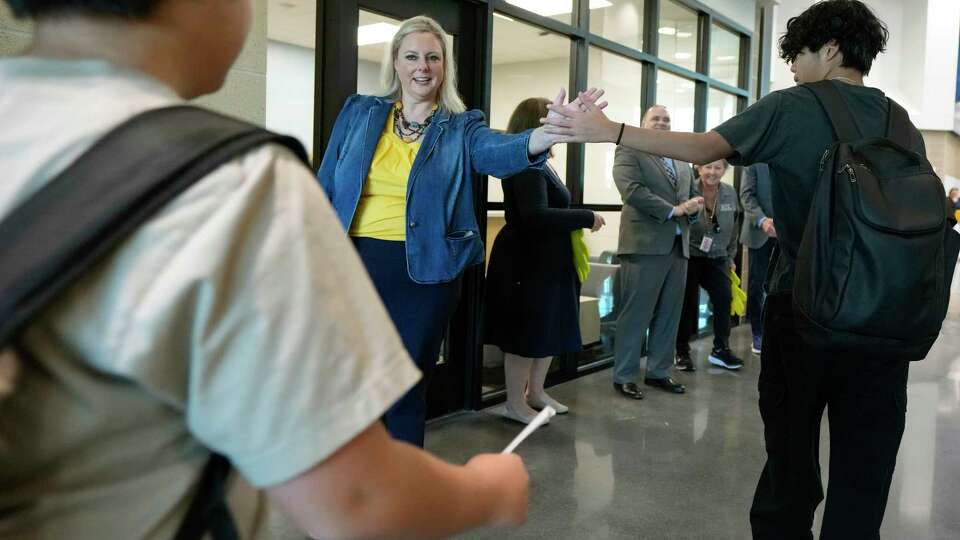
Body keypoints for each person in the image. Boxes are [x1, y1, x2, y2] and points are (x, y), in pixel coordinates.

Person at [0, 1, 532, 538]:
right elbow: (357, 500)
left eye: (433, 58)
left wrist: (547, 136)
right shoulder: (234, 180)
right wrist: (490, 490)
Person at [542, 1, 924, 537]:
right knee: (865, 474)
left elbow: (705, 147)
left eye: (799, 55)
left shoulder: (794, 106)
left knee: (789, 465)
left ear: (831, 50)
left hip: (805, 306)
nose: (793, 68)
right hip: (884, 317)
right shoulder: (900, 122)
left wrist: (612, 130)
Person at [317, 15, 597, 446]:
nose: (422, 66)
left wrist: (544, 135)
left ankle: (402, 482)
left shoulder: (460, 127)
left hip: (425, 272)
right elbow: (327, 185)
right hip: (355, 263)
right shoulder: (359, 112)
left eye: (432, 57)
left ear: (444, 66)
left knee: (406, 381)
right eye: (411, 56)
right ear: (395, 62)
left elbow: (499, 152)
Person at [483, 97, 604, 424]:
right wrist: (585, 216)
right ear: (535, 123)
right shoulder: (524, 162)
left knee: (547, 328)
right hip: (526, 261)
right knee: (526, 334)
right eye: (552, 117)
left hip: (546, 259)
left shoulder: (539, 161)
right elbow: (534, 216)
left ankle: (534, 393)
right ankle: (514, 402)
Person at [610, 105, 704, 400]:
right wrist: (673, 210)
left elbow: (689, 199)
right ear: (643, 124)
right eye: (656, 119)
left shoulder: (680, 159)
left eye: (667, 119)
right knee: (636, 314)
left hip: (679, 246)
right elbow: (632, 190)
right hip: (643, 246)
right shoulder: (629, 149)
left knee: (669, 314)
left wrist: (689, 211)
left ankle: (659, 372)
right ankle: (624, 375)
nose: (662, 123)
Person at [675, 159, 744, 371]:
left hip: (717, 256)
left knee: (724, 298)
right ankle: (682, 351)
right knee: (687, 302)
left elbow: (734, 226)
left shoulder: (730, 193)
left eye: (718, 168)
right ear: (699, 168)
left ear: (724, 170)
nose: (712, 172)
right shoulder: (688, 189)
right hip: (691, 254)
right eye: (708, 167)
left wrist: (730, 255)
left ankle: (721, 350)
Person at [739, 163, 777, 355]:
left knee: (782, 285)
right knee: (756, 285)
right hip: (759, 231)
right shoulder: (754, 163)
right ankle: (757, 332)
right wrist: (763, 221)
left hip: (787, 232)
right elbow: (747, 195)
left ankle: (777, 331)